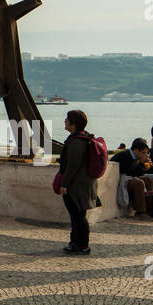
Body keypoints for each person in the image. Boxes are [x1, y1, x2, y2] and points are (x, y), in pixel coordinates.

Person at [58, 109, 99, 254]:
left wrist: (64, 184)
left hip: (76, 185)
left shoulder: (76, 142)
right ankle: (76, 242)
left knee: (78, 215)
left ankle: (81, 245)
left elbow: (72, 166)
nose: (65, 121)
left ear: (73, 124)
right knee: (78, 215)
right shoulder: (84, 138)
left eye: (67, 119)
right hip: (84, 183)